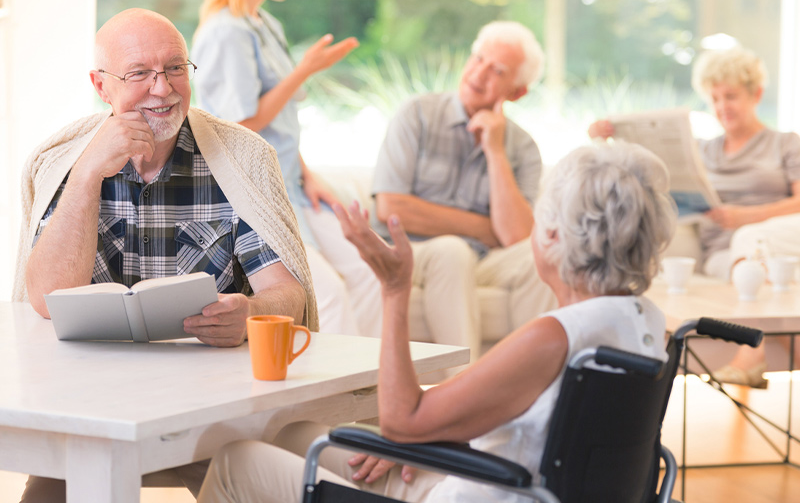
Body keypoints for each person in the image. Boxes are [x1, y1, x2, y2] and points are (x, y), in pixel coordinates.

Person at [194, 141, 677, 503]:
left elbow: (403, 420)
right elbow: (525, 419)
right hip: (508, 481)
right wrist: (419, 437)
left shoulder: (553, 336)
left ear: (551, 235)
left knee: (237, 460)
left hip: (482, 492)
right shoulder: (644, 325)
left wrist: (395, 288)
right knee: (289, 434)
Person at [12, 8, 316, 501]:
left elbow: (289, 295)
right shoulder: (62, 162)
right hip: (89, 402)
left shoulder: (241, 158)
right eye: (139, 74)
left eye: (175, 67)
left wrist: (253, 314)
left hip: (211, 408)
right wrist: (89, 175)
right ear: (100, 84)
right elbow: (47, 298)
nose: (162, 88)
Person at [192, 0, 375, 335]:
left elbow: (283, 124)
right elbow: (241, 127)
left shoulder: (264, 23)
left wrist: (308, 175)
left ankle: (370, 388)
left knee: (368, 270)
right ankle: (331, 391)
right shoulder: (225, 32)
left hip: (291, 182)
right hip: (258, 192)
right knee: (325, 293)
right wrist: (304, 69)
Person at [589, 45, 800, 388]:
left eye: (730, 96)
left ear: (756, 94)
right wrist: (611, 138)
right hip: (721, 254)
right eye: (714, 99)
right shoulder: (703, 151)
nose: (721, 107)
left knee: (752, 244)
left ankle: (751, 355)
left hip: (777, 240)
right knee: (765, 275)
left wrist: (746, 216)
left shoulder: (785, 143)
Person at [368, 20, 557, 364]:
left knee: (542, 254)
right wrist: (483, 228)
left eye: (497, 70)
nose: (479, 73)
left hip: (481, 260)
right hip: (413, 253)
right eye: (478, 58)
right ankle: (464, 391)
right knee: (452, 252)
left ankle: (534, 387)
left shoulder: (523, 147)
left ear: (517, 92)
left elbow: (516, 237)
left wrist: (495, 151)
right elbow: (391, 208)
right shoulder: (418, 114)